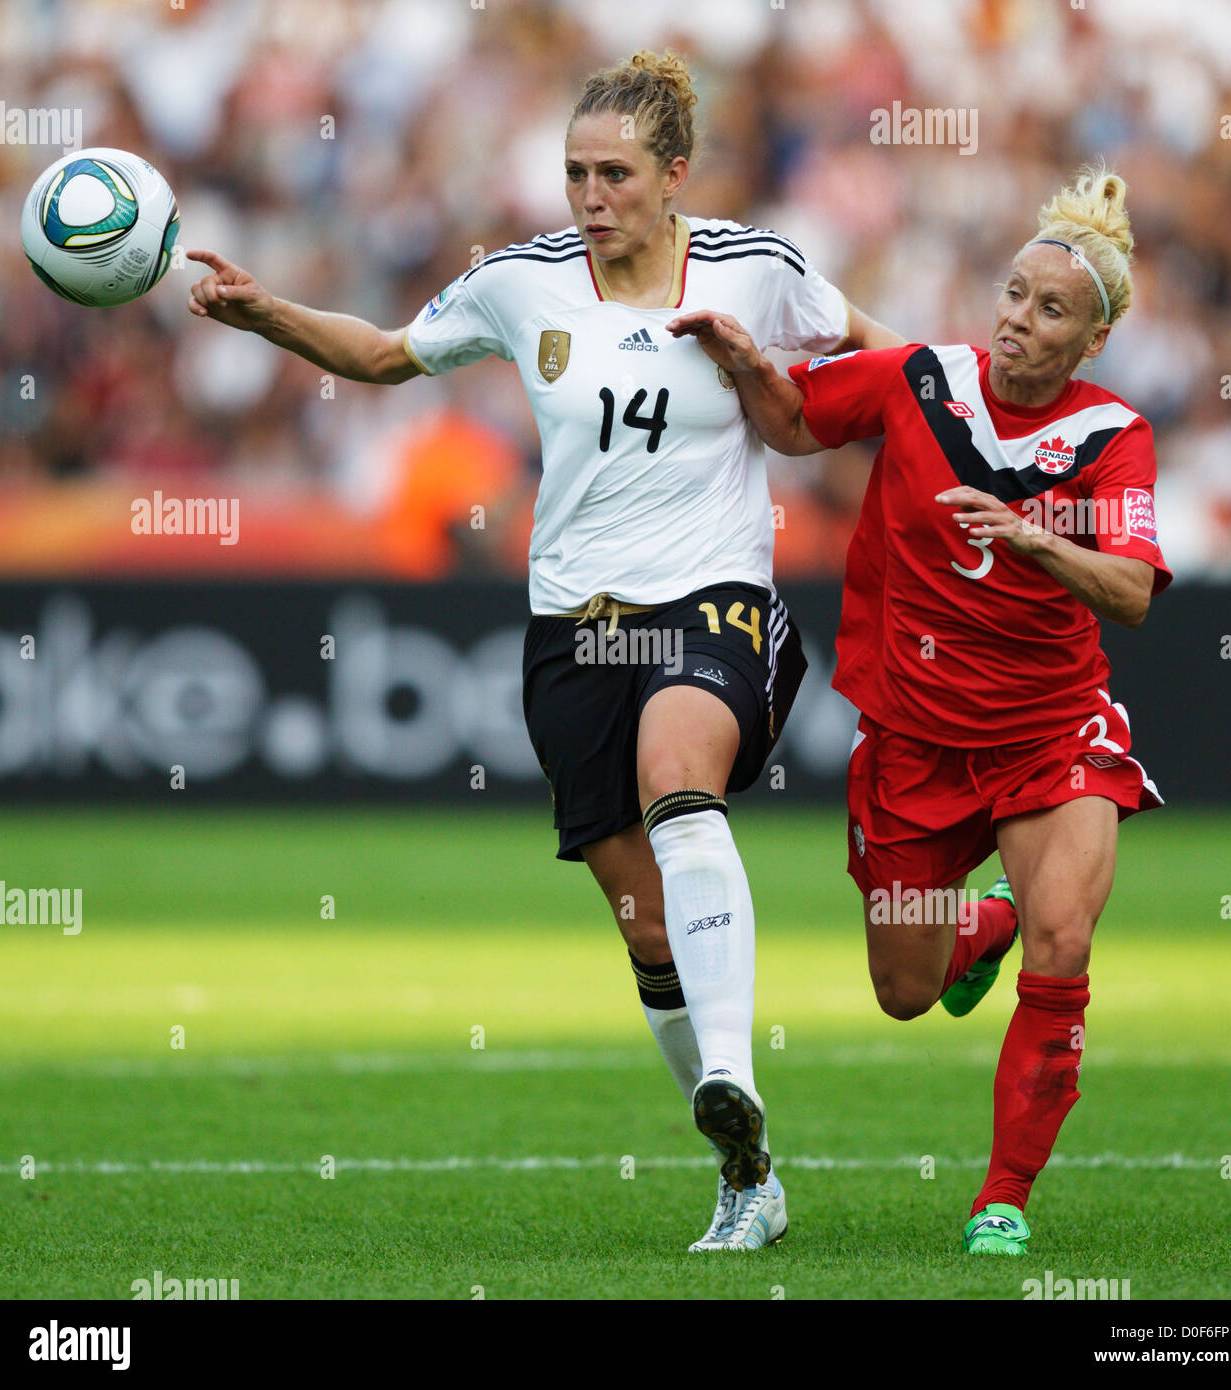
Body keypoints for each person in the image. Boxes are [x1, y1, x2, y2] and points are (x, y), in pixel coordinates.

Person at [184, 49, 903, 1251]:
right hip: (576, 631)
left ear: (675, 175)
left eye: (614, 172)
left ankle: (734, 1069)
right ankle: (746, 1169)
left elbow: (890, 366)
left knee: (683, 772)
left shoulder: (755, 270)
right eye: (574, 171)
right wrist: (265, 315)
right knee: (646, 928)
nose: (589, 194)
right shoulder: (519, 285)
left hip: (713, 601)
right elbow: (377, 355)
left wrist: (955, 426)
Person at [669, 167, 1172, 1254]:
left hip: (1052, 731)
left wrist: (1036, 537)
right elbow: (799, 425)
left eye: (1050, 311)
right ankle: (979, 923)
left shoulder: (1111, 436)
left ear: (1090, 344)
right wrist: (746, 359)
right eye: (1012, 294)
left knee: (1065, 944)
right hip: (915, 741)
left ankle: (1002, 1196)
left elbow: (1131, 590)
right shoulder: (921, 378)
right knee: (905, 988)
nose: (1017, 321)